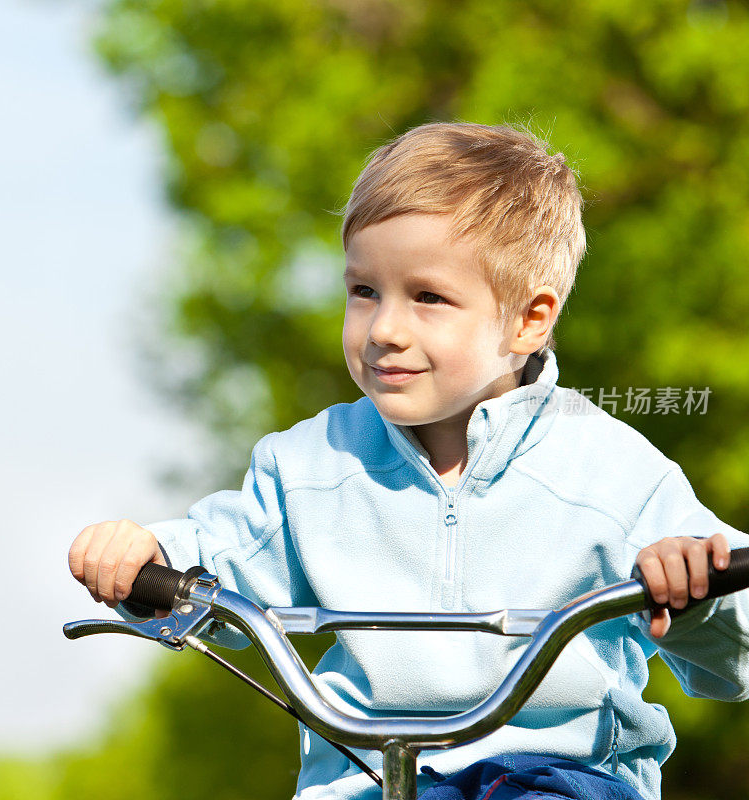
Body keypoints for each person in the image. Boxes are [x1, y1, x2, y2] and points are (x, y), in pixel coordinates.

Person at [68, 122, 749, 800]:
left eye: (427, 297)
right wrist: (148, 555)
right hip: (368, 779)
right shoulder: (309, 464)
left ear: (529, 320)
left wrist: (692, 594)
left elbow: (735, 655)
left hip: (562, 777)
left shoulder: (609, 470)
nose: (384, 329)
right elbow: (224, 556)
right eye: (364, 291)